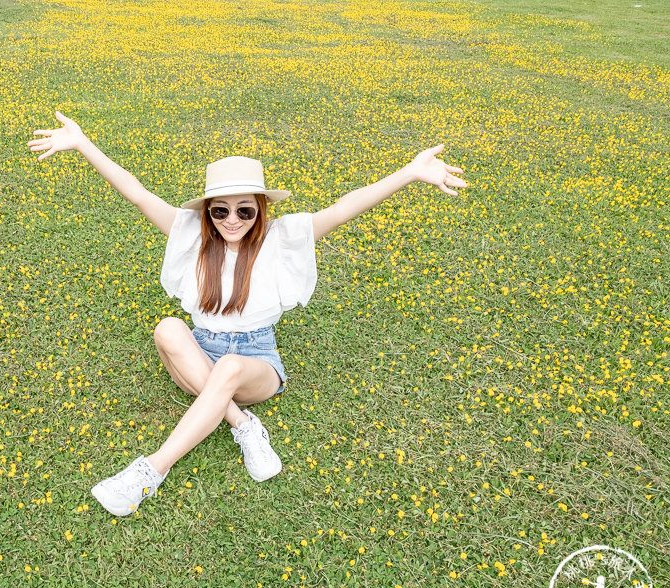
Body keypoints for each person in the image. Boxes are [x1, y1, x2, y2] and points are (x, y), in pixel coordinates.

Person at [29, 111, 466, 516]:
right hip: (202, 352)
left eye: (244, 209)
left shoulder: (281, 238)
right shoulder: (194, 238)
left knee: (233, 366)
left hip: (255, 360)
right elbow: (137, 192)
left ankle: (150, 471)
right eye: (220, 210)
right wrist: (83, 143)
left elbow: (345, 207)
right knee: (167, 328)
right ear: (207, 213)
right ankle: (242, 423)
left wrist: (410, 172)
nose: (231, 219)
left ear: (260, 209)